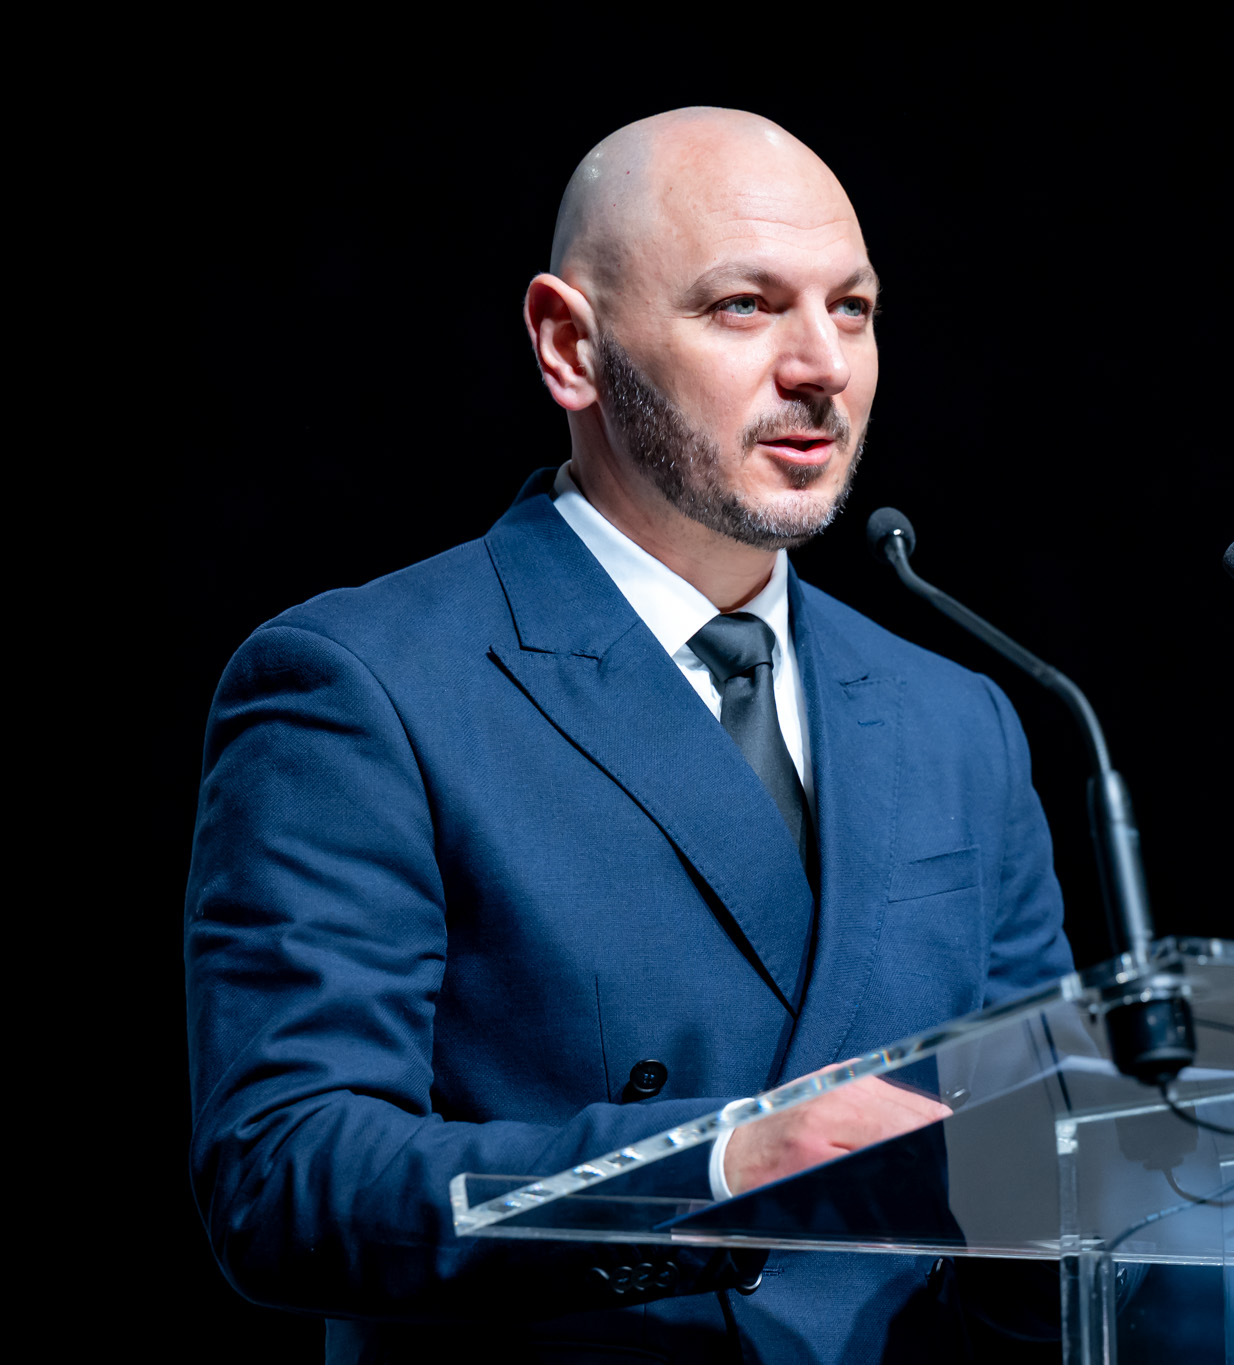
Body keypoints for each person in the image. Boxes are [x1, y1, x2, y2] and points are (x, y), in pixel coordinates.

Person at [185, 107, 1073, 1362]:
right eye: (743, 307)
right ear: (569, 346)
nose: (821, 363)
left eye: (853, 308)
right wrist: (710, 1168)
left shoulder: (955, 720)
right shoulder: (365, 686)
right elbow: (285, 1174)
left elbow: (1043, 1176)